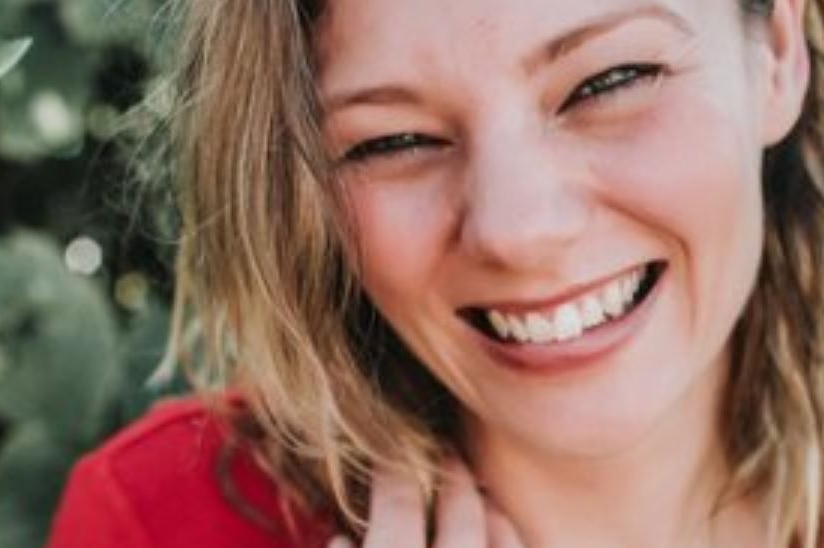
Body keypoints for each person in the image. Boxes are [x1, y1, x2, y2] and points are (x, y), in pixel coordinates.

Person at [48, 0, 824, 546]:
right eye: (394, 141)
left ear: (778, 53)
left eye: (608, 81)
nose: (518, 230)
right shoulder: (157, 524)